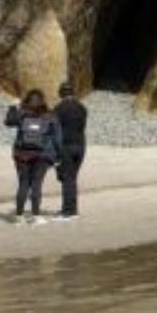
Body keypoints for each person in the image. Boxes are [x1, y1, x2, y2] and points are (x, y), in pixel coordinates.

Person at [3, 90, 62, 224]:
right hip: (42, 155)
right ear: (42, 101)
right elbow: (57, 138)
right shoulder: (50, 115)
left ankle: (19, 216)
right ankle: (36, 216)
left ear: (27, 101)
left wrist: (12, 106)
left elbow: (8, 122)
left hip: (21, 154)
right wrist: (59, 156)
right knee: (37, 184)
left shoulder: (22, 114)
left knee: (23, 183)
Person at [53, 81, 88, 220]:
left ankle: (68, 212)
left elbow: (55, 131)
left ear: (61, 93)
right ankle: (71, 210)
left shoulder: (59, 108)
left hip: (66, 146)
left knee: (67, 179)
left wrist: (55, 152)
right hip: (81, 146)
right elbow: (82, 126)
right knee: (72, 179)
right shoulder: (82, 108)